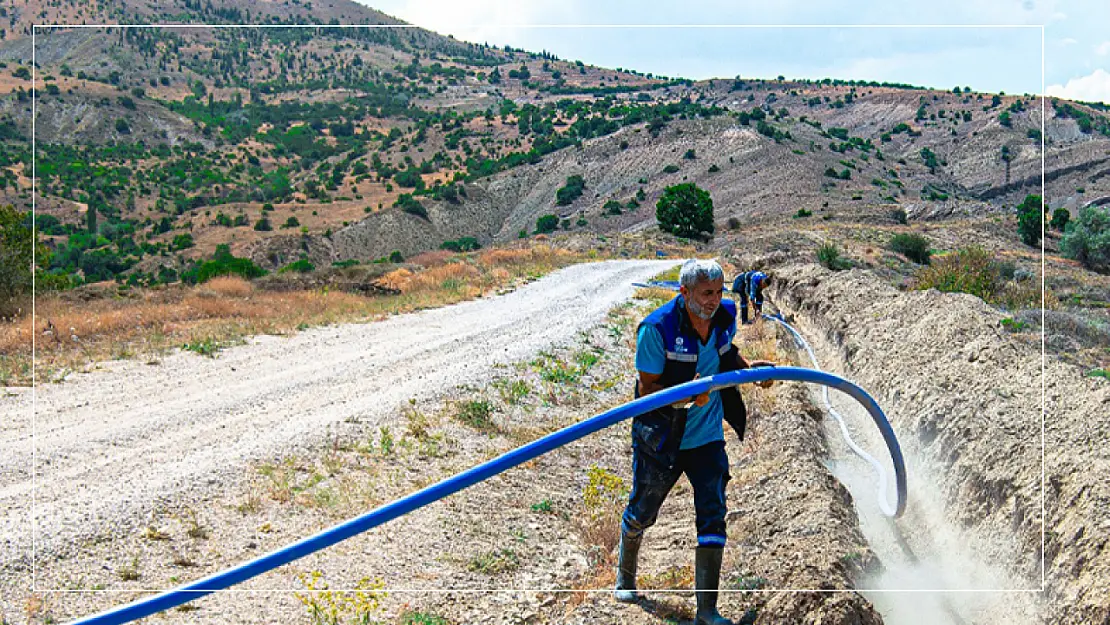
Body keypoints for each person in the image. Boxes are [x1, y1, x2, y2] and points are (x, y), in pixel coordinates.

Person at [616, 259, 774, 625]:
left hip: (706, 437)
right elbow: (647, 389)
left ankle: (707, 611)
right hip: (662, 438)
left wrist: (749, 369)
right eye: (706, 293)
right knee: (644, 508)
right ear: (684, 292)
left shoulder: (723, 315)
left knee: (713, 513)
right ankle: (625, 574)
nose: (715, 300)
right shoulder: (657, 329)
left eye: (719, 292)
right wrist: (687, 397)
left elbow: (724, 353)